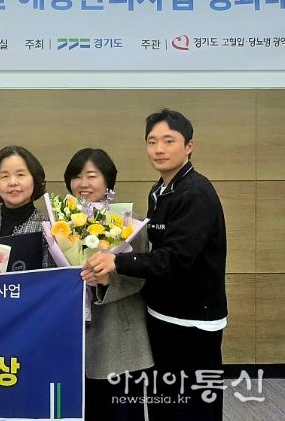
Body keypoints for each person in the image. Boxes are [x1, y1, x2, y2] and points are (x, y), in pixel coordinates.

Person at [83, 109, 227, 421]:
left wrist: (117, 261)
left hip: (192, 322)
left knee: (193, 407)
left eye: (168, 140)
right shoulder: (160, 190)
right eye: (152, 141)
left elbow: (176, 258)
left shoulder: (196, 194)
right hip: (163, 316)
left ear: (189, 146)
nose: (158, 149)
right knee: (168, 405)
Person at [64, 148, 152, 421]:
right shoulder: (60, 224)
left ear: (108, 181)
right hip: (77, 334)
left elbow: (142, 275)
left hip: (118, 335)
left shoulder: (128, 223)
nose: (83, 184)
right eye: (76, 176)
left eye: (92, 176)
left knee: (121, 412)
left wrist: (107, 280)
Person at [0, 145, 51, 268]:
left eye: (20, 174)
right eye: (5, 176)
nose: (13, 182)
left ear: (34, 179)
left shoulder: (49, 227)